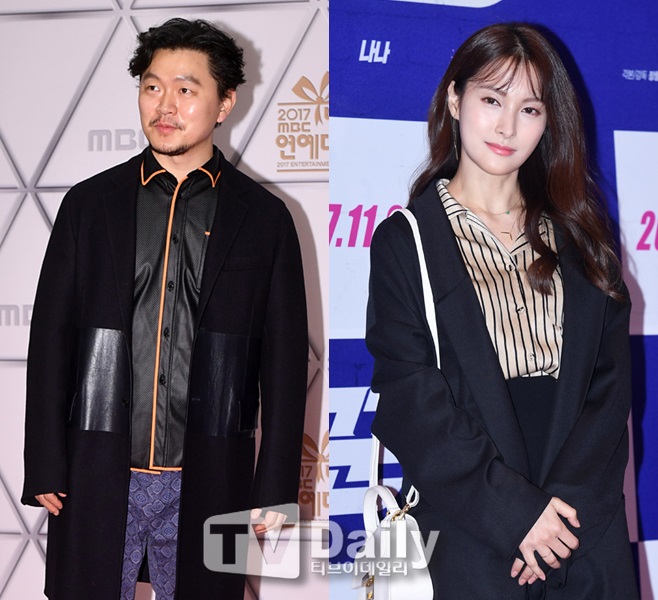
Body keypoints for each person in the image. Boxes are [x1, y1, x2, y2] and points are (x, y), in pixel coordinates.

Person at [21, 17, 308, 600]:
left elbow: (283, 364)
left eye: (185, 88)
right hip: (97, 469)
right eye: (152, 87)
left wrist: (275, 488)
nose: (164, 105)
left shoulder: (265, 218)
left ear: (225, 102)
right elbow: (51, 340)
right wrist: (45, 459)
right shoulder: (88, 206)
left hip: (211, 474)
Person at [366, 22, 638, 599]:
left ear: (549, 121)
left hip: (585, 530)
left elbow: (610, 388)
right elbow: (411, 398)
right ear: (454, 99)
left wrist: (560, 519)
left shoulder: (583, 237)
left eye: (530, 109)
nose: (508, 126)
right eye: (492, 99)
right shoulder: (406, 241)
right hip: (471, 529)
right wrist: (518, 516)